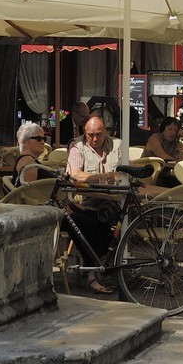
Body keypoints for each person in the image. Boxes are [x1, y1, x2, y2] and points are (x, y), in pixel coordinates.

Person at [66, 114, 123, 294]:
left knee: (118, 220)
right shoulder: (77, 146)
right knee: (93, 223)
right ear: (85, 132)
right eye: (91, 135)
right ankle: (97, 271)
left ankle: (106, 267)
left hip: (114, 202)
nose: (95, 139)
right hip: (86, 202)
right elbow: (74, 174)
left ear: (105, 131)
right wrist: (102, 177)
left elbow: (124, 174)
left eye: (99, 134)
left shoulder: (117, 145)